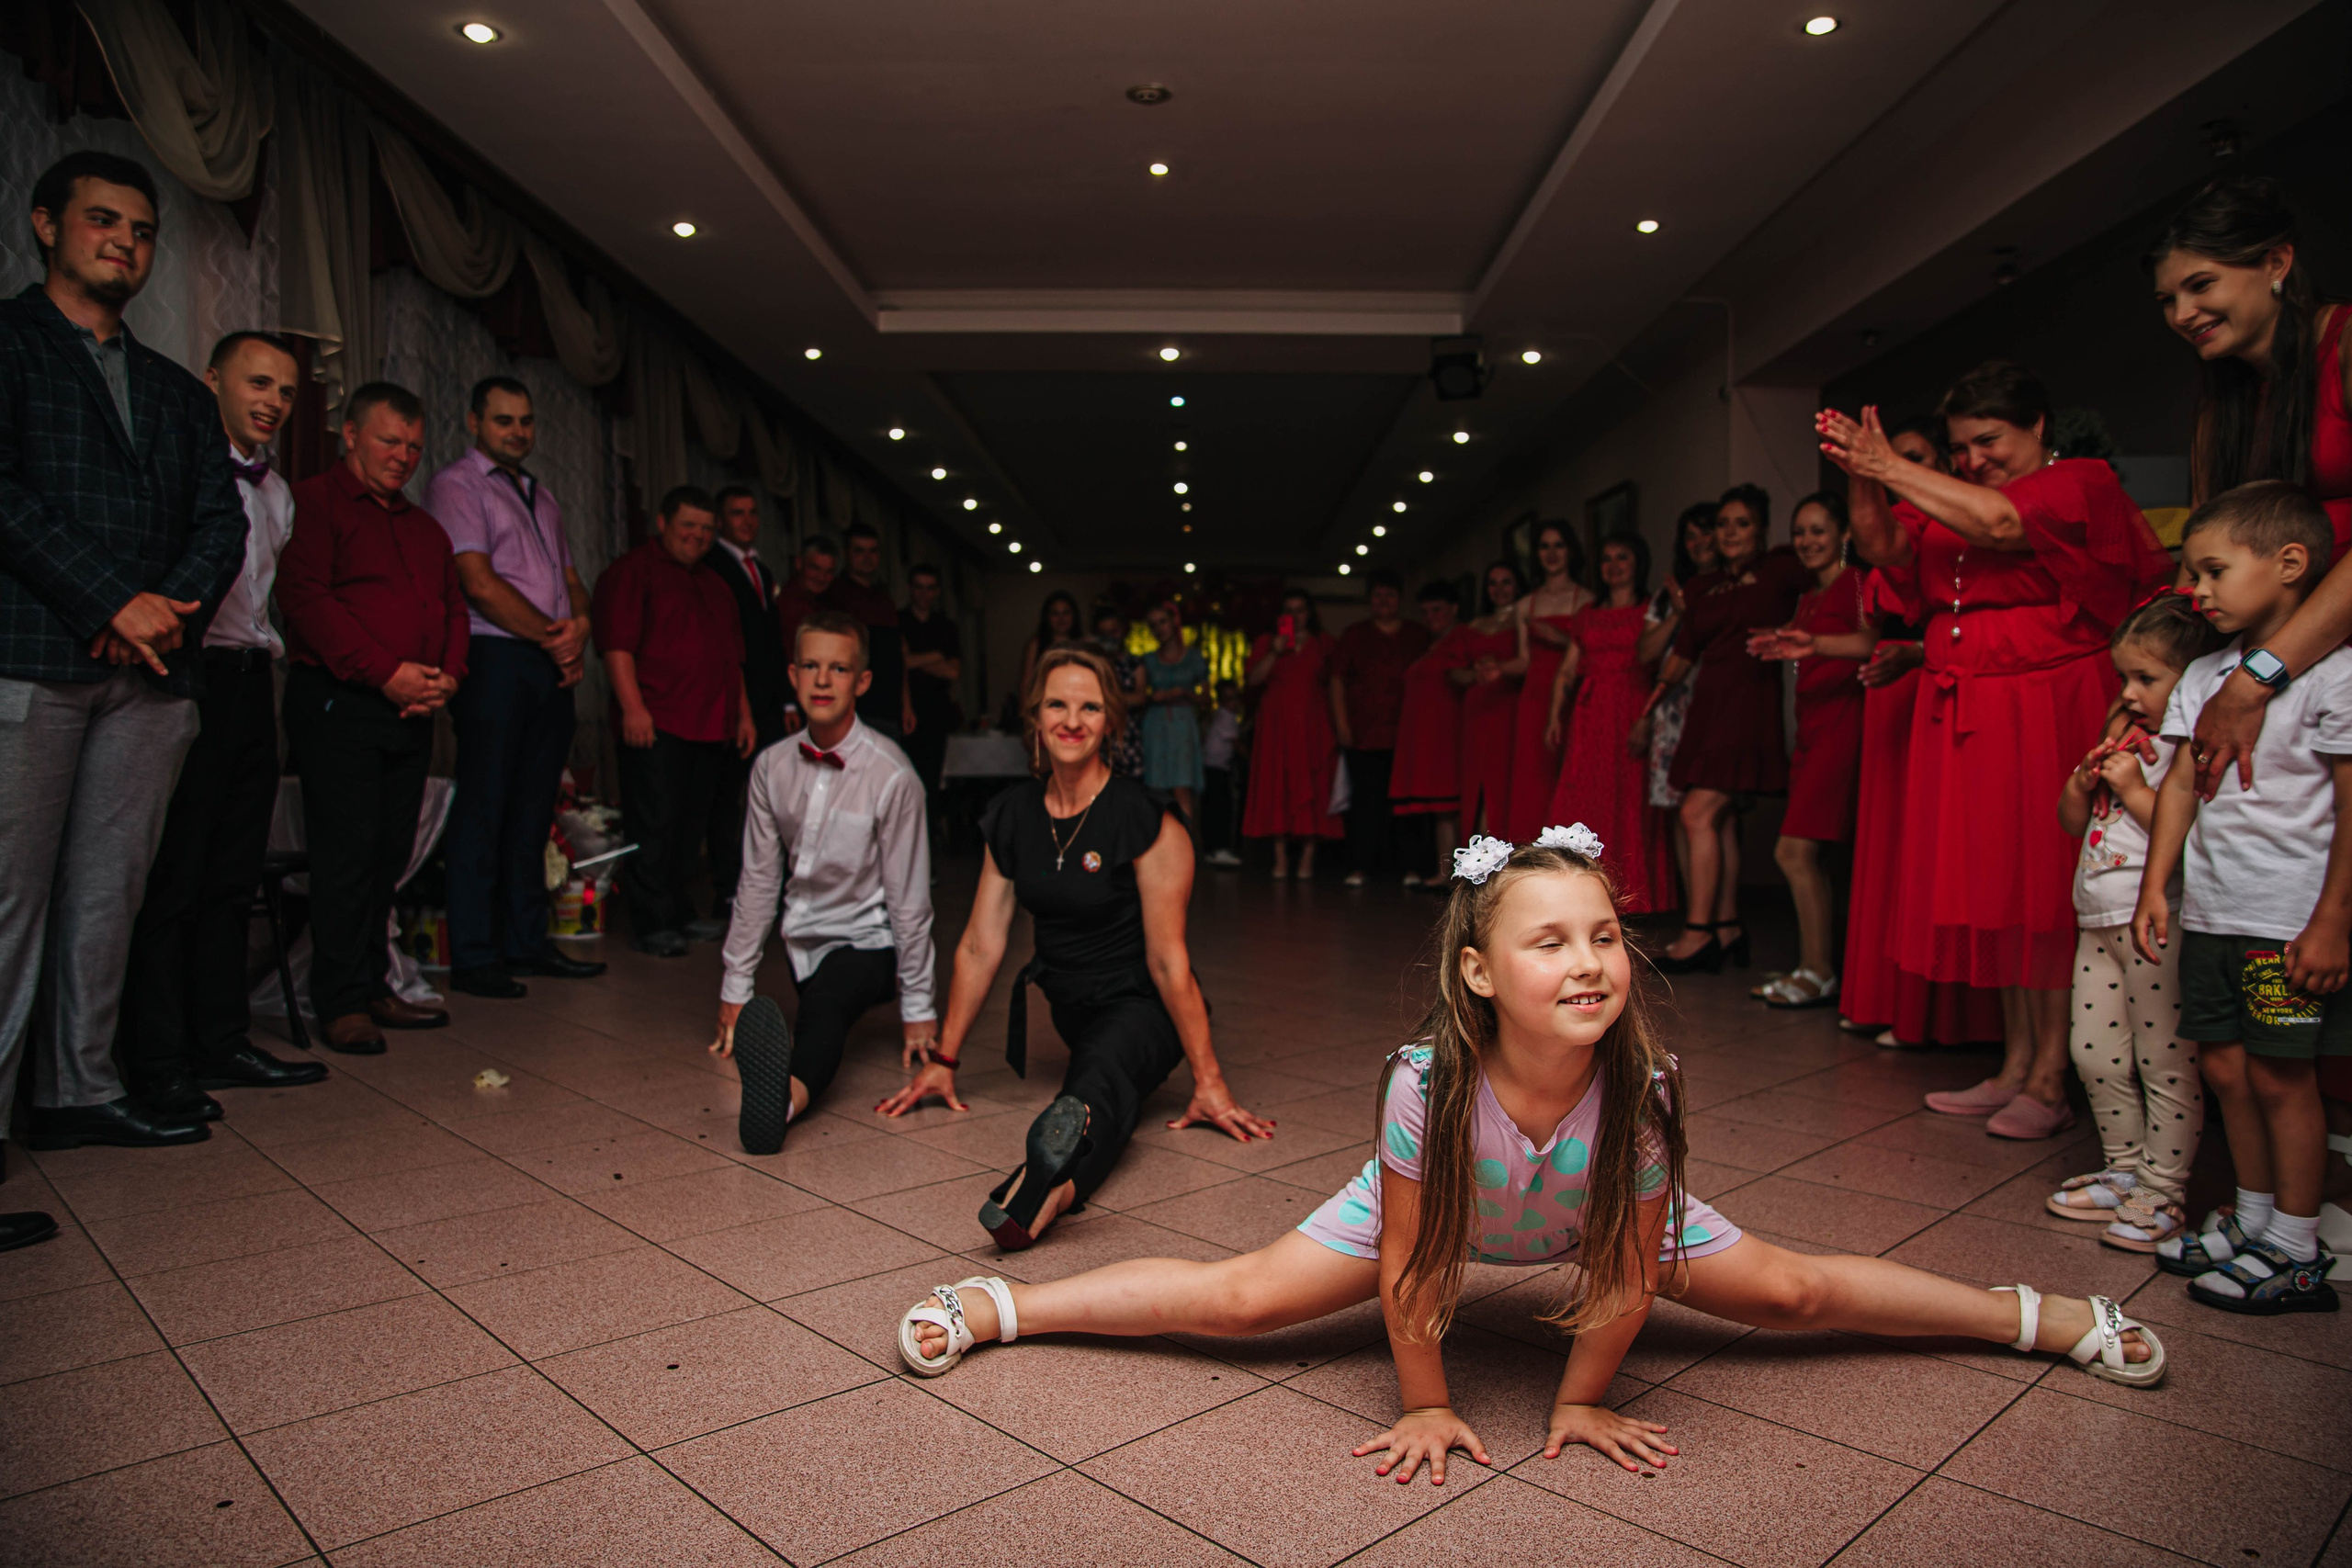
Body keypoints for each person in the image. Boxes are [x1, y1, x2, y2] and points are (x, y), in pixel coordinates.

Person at [891, 832, 2164, 1438]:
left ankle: (2037, 1314)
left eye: (1605, 933)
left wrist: (1582, 1397)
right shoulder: (1422, 1085)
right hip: (1443, 1213)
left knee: (1793, 1285)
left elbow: (1619, 1269)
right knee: (1236, 1300)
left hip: (1596, 1216)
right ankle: (1006, 1300)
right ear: (1481, 973)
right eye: (1550, 939)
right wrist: (1431, 1402)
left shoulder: (1643, 1086)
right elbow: (1410, 1269)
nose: (1591, 958)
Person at [1820, 362, 2173, 1139]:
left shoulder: (2078, 480)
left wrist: (1891, 463)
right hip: (1973, 701)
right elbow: (1882, 548)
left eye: (1989, 440)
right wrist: (1861, 476)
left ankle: (2052, 1077)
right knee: (2000, 889)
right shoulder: (1954, 499)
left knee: (2045, 888)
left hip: (2046, 698)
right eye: (1962, 447)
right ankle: (2017, 1061)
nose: (1974, 458)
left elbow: (2005, 528)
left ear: (2038, 426)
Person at [2, 151, 251, 1168]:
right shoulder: (8, 344)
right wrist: (113, 600)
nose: (125, 243)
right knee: (10, 897)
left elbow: (219, 523)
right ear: (45, 224)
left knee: (111, 893)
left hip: (150, 678)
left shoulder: (174, 388)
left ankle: (78, 1090)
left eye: (142, 231)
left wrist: (157, 616)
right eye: (103, 221)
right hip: (30, 657)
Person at [875, 647, 1275, 1248]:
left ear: (1111, 720)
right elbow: (981, 945)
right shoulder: (1011, 815)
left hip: (1144, 1005)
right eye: (1058, 704)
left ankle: (1043, 1193)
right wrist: (944, 1058)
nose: (1072, 719)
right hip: (1071, 1003)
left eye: (1090, 706)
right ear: (1035, 717)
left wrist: (1208, 1077)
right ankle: (1053, 1168)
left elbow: (1169, 961)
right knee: (1102, 1075)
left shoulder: (1147, 819)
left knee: (1098, 1079)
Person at [2137, 482, 2349, 1314]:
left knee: (2283, 1076)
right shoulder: (2202, 675)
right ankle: (2254, 1219)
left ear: (2290, 563)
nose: (2200, 590)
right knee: (2226, 1067)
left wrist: (2334, 918)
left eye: (2216, 569)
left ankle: (2297, 1247)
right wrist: (2158, 885)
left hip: (2285, 922)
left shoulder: (2334, 676)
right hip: (2216, 914)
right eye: (2193, 574)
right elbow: (2183, 783)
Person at [116, 330, 325, 1123]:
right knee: (174, 874)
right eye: (258, 383)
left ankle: (221, 1038)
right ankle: (156, 1059)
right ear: (213, 382)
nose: (272, 401)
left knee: (234, 872)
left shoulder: (277, 494)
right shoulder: (177, 472)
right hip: (183, 674)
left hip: (249, 680)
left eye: (285, 391)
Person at [278, 381, 468, 1054]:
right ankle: (339, 1001)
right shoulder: (311, 502)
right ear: (350, 435)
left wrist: (446, 676)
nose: (403, 455)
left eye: (414, 445)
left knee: (388, 856)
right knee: (346, 856)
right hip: (340, 702)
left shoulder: (426, 528)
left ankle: (372, 982)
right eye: (390, 440)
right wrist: (385, 673)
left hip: (413, 709)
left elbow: (452, 607)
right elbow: (305, 598)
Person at [2155, 179, 2352, 803]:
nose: (2181, 315)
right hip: (2278, 673)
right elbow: (2204, 567)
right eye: (2167, 299)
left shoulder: (2346, 345)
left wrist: (2255, 676)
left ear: (2276, 262)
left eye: (2201, 285)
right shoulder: (2223, 404)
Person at [710, 609, 934, 1154]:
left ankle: (782, 1101)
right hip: (802, 939)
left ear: (861, 682)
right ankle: (785, 1066)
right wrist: (735, 987)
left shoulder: (893, 775)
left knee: (827, 1003)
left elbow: (910, 900)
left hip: (870, 941)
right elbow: (759, 881)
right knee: (819, 998)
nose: (823, 679)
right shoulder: (770, 767)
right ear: (793, 675)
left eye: (838, 669)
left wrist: (919, 1007)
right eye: (811, 665)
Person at [2049, 592, 2220, 1252]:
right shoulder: (2121, 743)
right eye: (2125, 677)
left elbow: (2187, 833)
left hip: (2156, 922)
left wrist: (2134, 789)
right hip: (2096, 921)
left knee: (2164, 1060)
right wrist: (2081, 784)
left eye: (2147, 678)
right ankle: (2123, 1168)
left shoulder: (2181, 759)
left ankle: (2164, 1186)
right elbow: (2071, 822)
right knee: (2092, 1050)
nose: (2131, 691)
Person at [425, 375, 604, 1000]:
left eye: (525, 421)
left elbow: (571, 576)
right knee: (485, 805)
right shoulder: (456, 484)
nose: (518, 431)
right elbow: (474, 580)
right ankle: (475, 955)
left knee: (534, 807)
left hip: (547, 658)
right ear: (474, 423)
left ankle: (526, 942)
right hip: (496, 655)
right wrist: (553, 637)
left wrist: (579, 626)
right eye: (504, 420)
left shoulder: (543, 494)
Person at [1836, 420, 2005, 1050]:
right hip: (1900, 691)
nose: (1894, 470)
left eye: (1912, 460)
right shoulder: (1898, 537)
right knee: (1896, 857)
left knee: (1953, 857)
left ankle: (1948, 1017)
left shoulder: (1965, 526)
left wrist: (1911, 654)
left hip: (1941, 689)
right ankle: (1887, 1000)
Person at [590, 485, 758, 957]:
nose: (698, 536)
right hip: (658, 721)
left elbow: (732, 659)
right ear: (662, 523)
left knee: (691, 826)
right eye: (689, 525)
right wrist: (633, 708)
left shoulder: (715, 584)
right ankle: (652, 921)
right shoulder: (631, 573)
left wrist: (743, 715)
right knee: (655, 823)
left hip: (711, 724)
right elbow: (616, 647)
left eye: (707, 529)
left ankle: (681, 910)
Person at [1646, 486, 1809, 973]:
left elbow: (1833, 579)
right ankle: (1728, 928)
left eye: (1741, 523)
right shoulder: (1702, 587)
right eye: (1724, 524)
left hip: (1749, 701)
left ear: (1760, 528)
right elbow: (1683, 653)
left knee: (1697, 813)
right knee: (1717, 821)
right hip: (1707, 705)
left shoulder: (1781, 568)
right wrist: (1649, 706)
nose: (1731, 533)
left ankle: (1698, 934)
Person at [1745, 493, 1869, 1008]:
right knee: (1811, 853)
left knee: (1793, 851)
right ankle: (1815, 966)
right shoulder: (1810, 595)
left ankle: (1819, 971)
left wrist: (1812, 644)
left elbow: (1871, 642)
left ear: (1843, 533)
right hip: (1814, 727)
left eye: (1819, 530)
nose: (1808, 541)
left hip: (1845, 724)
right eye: (1800, 532)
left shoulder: (1855, 584)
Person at [1544, 534, 1672, 913]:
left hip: (1631, 707)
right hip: (1589, 713)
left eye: (1623, 557)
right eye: (1607, 559)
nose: (1614, 566)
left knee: (1629, 799)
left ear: (1638, 563)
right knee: (1582, 798)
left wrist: (1648, 718)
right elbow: (1567, 669)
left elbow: (1665, 667)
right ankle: (1572, 892)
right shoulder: (1588, 613)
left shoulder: (1652, 609)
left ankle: (1630, 897)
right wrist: (1554, 715)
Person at [703, 486, 793, 919]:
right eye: (737, 513)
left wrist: (788, 703)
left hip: (769, 703)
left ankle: (768, 884)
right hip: (732, 702)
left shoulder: (761, 568)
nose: (747, 520)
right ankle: (728, 888)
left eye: (753, 512)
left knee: (774, 798)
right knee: (727, 799)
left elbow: (773, 644)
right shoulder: (712, 566)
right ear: (721, 520)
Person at [1638, 505, 1724, 914]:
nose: (1700, 543)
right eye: (1691, 536)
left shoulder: (1731, 586)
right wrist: (1676, 611)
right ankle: (1695, 914)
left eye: (1707, 532)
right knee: (1677, 812)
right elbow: (1646, 652)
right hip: (1671, 710)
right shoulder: (1665, 596)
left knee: (1718, 816)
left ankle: (1720, 921)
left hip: (1716, 704)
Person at [1329, 570, 1431, 886]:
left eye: (1390, 595)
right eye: (1377, 595)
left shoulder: (1418, 634)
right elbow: (1336, 681)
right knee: (1365, 805)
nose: (1384, 601)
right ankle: (1359, 866)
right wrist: (1342, 725)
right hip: (1365, 734)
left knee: (1408, 806)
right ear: (1369, 600)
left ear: (1400, 599)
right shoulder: (1354, 634)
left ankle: (1412, 867)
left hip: (1408, 735)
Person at [1503, 522, 1594, 841]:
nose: (1552, 553)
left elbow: (1592, 653)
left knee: (1572, 773)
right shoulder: (1526, 603)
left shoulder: (1587, 599)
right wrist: (1494, 670)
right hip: (1534, 695)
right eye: (1544, 546)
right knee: (1533, 776)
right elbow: (1524, 659)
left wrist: (1559, 637)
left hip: (1572, 694)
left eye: (1558, 545)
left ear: (1571, 551)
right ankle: (1529, 852)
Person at [1244, 588, 1342, 879]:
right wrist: (1275, 650)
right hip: (1276, 726)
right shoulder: (1267, 643)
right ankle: (1280, 858)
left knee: (1312, 782)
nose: (1295, 616)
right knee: (1277, 785)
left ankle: (1307, 859)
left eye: (1301, 610)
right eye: (1289, 610)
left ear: (1309, 613)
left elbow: (1335, 684)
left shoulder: (1324, 643)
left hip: (1313, 723)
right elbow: (1253, 680)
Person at [1389, 581, 1469, 886]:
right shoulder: (1430, 645)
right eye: (1425, 612)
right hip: (1428, 735)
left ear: (1454, 608)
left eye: (1437, 609)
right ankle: (1446, 871)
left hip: (1449, 732)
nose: (1431, 617)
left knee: (1452, 806)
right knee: (1440, 810)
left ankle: (1462, 872)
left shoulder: (1462, 638)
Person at [1453, 562, 1523, 839]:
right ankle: (1478, 854)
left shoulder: (1524, 617)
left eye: (1506, 582)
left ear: (1518, 585)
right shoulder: (1473, 625)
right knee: (1475, 783)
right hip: (1477, 708)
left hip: (1509, 706)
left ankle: (1505, 851)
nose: (1499, 589)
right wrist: (1474, 674)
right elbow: (1453, 670)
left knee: (1504, 780)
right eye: (1493, 583)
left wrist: (1503, 669)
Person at [831, 520, 912, 742]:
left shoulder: (884, 598)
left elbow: (898, 655)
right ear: (847, 553)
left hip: (889, 709)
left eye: (873, 551)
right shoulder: (836, 594)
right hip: (856, 709)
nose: (867, 557)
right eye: (859, 551)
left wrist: (906, 704)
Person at [900, 561, 964, 805]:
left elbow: (953, 672)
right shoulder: (899, 621)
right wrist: (936, 656)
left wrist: (911, 659)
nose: (924, 594)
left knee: (932, 782)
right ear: (910, 588)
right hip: (906, 710)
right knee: (906, 781)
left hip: (937, 712)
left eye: (930, 588)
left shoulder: (946, 627)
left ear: (937, 591)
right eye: (919, 587)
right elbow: (897, 664)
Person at [1138, 600, 1206, 820]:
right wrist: (1153, 697)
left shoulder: (1194, 657)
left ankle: (1186, 846)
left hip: (1183, 724)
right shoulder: (1147, 660)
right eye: (1153, 625)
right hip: (1155, 724)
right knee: (1155, 787)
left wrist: (1185, 693)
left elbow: (1206, 699)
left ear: (1174, 621)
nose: (1159, 629)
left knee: (1182, 787)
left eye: (1163, 622)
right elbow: (1138, 695)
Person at [773, 532, 839, 718]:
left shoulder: (823, 604)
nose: (822, 577)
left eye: (828, 572)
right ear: (799, 563)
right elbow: (782, 657)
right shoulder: (786, 604)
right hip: (795, 703)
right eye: (815, 568)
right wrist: (789, 705)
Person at [1091, 604, 1149, 778]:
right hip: (1099, 734)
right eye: (1104, 634)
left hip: (1128, 735)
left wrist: (1107, 699)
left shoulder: (1134, 662)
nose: (1111, 638)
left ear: (1123, 630)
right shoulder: (1094, 664)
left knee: (1131, 790)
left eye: (1114, 631)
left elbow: (1141, 697)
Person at [1199, 684, 1245, 868]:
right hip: (1216, 770)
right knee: (1220, 809)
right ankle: (1218, 849)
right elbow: (1237, 745)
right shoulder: (1225, 718)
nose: (1233, 703)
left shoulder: (1222, 717)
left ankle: (1213, 849)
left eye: (1235, 698)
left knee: (1214, 808)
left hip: (1215, 768)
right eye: (1228, 699)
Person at [1018, 590, 1081, 702]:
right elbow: (1026, 684)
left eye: (1066, 613)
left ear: (1074, 616)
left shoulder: (1084, 644)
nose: (1061, 619)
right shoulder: (1036, 645)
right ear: (1047, 617)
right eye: (1055, 614)